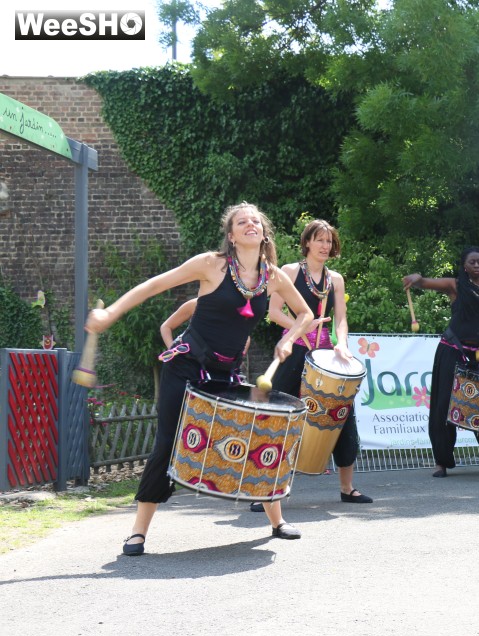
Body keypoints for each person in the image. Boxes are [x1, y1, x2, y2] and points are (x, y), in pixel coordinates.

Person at [85, 202, 314, 555]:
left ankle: (276, 520)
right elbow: (153, 286)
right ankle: (138, 531)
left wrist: (288, 338)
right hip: (187, 364)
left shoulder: (273, 277)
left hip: (227, 372)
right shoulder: (211, 264)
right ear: (232, 235)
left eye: (255, 220)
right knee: (167, 442)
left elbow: (306, 314)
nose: (250, 224)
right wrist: (111, 313)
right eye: (242, 222)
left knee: (254, 436)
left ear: (263, 232)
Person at [249, 219, 373, 511]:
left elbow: (340, 318)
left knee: (343, 416)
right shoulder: (290, 272)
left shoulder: (336, 279)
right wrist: (303, 326)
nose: (325, 246)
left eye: (329, 241)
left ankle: (347, 488)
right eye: (319, 240)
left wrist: (341, 343)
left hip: (326, 356)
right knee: (276, 418)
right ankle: (265, 490)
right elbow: (274, 311)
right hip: (295, 349)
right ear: (307, 243)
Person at [402, 247, 479, 478]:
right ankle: (442, 461)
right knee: (444, 406)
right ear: (465, 266)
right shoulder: (455, 285)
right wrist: (417, 279)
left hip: (476, 356)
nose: (477, 265)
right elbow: (426, 282)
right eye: (472, 262)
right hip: (451, 351)